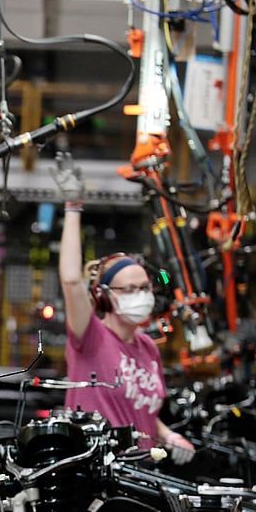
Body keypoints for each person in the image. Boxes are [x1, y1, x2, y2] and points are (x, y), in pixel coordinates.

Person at [52, 153, 195, 462]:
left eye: (144, 288)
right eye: (129, 289)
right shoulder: (90, 338)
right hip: (96, 472)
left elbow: (141, 410)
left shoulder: (149, 348)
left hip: (137, 473)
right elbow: (71, 281)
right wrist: (73, 206)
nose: (140, 295)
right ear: (104, 296)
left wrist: (168, 436)